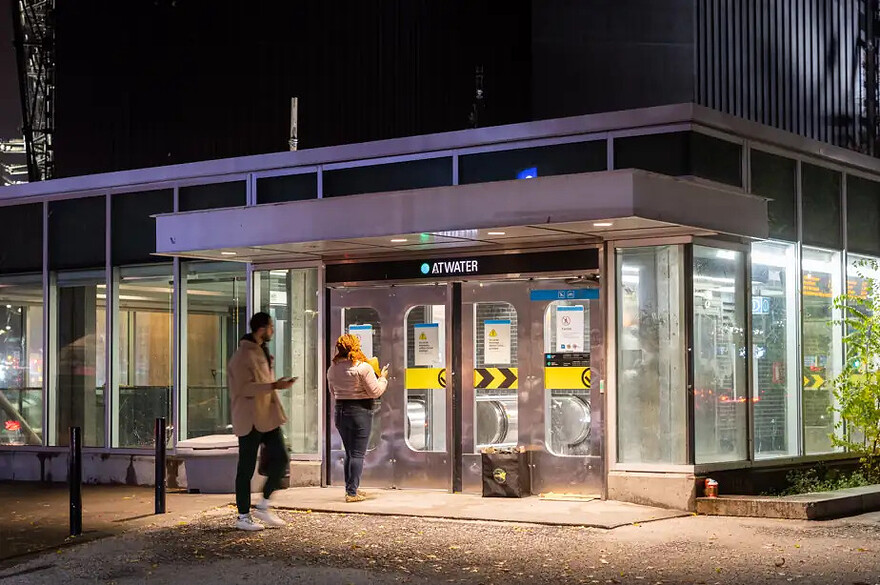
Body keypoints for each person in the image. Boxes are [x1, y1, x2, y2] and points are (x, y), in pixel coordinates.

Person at [228, 312, 295, 531]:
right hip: (249, 418)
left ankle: (263, 505)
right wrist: (275, 385)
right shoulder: (241, 356)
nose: (273, 331)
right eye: (271, 327)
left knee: (281, 458)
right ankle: (243, 516)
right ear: (262, 329)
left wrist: (275, 385)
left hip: (267, 417)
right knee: (245, 469)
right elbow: (243, 388)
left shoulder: (262, 351)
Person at [326, 333, 388, 502]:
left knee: (350, 452)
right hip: (360, 411)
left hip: (340, 410)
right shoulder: (363, 368)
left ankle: (350, 489)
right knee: (358, 454)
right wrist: (382, 378)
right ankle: (352, 493)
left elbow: (333, 392)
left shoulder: (332, 369)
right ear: (355, 347)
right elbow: (375, 392)